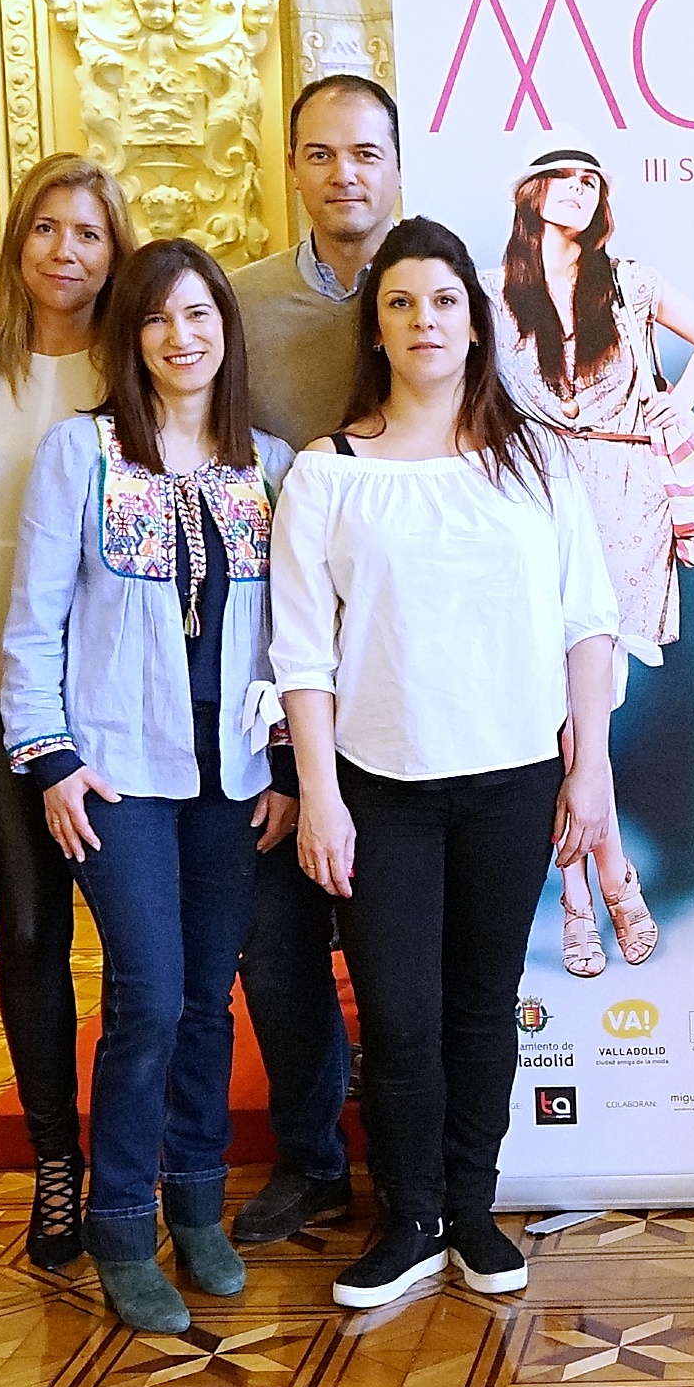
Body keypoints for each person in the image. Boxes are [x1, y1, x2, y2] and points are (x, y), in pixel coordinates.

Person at [270, 216, 623, 1312]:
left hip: (513, 780)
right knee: (397, 1014)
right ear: (374, 329)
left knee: (482, 1005)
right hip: (379, 789)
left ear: (477, 323)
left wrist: (591, 770)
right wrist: (320, 795)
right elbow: (301, 654)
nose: (423, 321)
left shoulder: (537, 460)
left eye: (443, 301)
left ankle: (472, 1208)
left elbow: (589, 619)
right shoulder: (327, 474)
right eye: (400, 303)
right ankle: (408, 1219)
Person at [0, 237, 296, 1332]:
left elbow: (296, 636)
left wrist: (289, 769)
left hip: (236, 773)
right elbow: (33, 619)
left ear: (227, 329)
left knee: (211, 1000)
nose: (182, 337)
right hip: (116, 774)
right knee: (150, 995)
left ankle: (198, 1209)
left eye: (200, 314)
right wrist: (51, 757)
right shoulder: (81, 453)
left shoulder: (270, 463)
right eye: (158, 318)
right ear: (129, 336)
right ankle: (121, 1224)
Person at [0, 153, 130, 1272]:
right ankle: (59, 1159)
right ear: (18, 242)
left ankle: (142, 1158)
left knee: (135, 936)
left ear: (115, 251)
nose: (65, 251)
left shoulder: (139, 358)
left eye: (88, 233)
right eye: (47, 228)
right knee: (27, 928)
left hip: (113, 695)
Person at [491, 144, 694, 976]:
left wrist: (674, 406)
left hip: (624, 494)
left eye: (590, 183)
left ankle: (581, 894)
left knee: (592, 700)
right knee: (557, 706)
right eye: (564, 179)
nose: (577, 192)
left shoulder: (630, 284)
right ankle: (608, 879)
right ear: (531, 193)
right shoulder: (495, 296)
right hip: (533, 493)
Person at [222, 73, 402, 1247]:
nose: (345, 174)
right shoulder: (237, 306)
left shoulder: (441, 288)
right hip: (275, 672)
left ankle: (411, 1163)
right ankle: (310, 1158)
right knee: (277, 942)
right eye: (322, 153)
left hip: (406, 676)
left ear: (397, 165)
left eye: (367, 152)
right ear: (292, 166)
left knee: (399, 946)